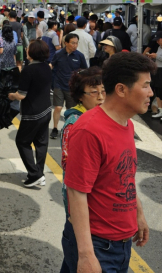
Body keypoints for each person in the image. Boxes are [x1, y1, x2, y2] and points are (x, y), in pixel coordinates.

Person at [61, 53, 153, 273]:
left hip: (121, 243)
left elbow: (124, 177)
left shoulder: (126, 124)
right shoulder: (88, 130)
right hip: (98, 245)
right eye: (146, 86)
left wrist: (138, 214)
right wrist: (85, 255)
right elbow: (76, 192)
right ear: (121, 89)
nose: (151, 93)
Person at [8, 40, 53, 188]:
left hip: (32, 113)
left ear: (32, 53)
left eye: (28, 49)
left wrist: (11, 96)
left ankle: (35, 174)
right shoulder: (47, 67)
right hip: (46, 110)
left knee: (22, 141)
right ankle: (39, 173)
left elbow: (21, 95)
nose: (26, 51)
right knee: (41, 143)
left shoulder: (28, 70)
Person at [60, 67, 104, 213]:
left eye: (103, 90)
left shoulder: (105, 117)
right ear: (80, 95)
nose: (100, 97)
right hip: (83, 199)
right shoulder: (74, 124)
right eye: (93, 92)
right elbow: (70, 167)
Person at [50, 33, 88, 140]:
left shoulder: (79, 56)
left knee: (70, 110)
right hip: (59, 84)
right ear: (66, 43)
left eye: (76, 43)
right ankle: (55, 128)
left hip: (72, 87)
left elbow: (85, 70)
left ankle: (67, 128)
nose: (75, 45)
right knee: (58, 107)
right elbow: (52, 65)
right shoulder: (58, 54)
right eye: (73, 43)